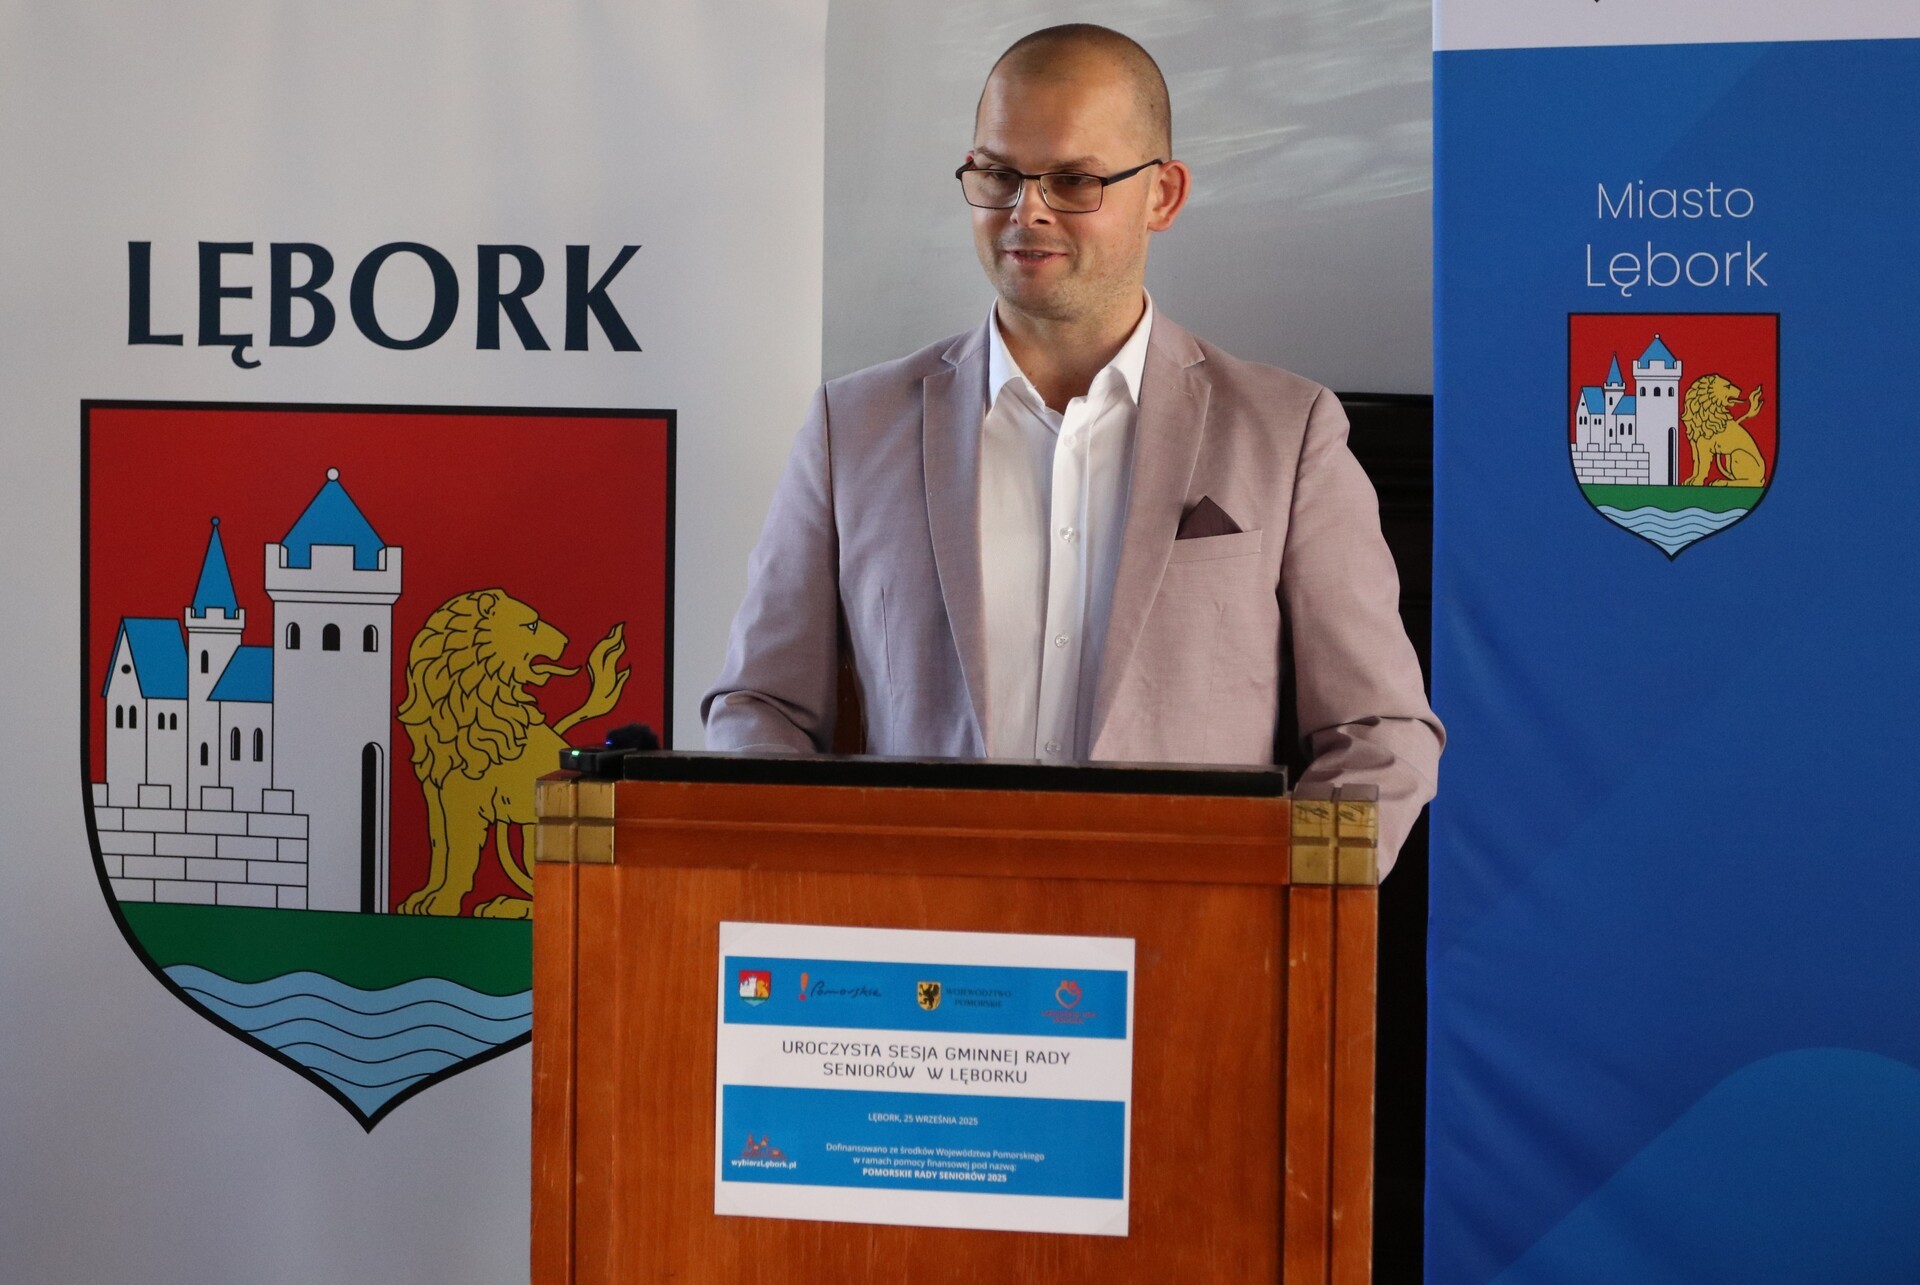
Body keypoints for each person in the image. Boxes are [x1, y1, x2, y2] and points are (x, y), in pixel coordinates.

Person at [703, 24, 1442, 867]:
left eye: (1073, 180)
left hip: (1190, 933)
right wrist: (807, 888)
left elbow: (1380, 730)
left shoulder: (1285, 431)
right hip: (920, 934)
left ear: (1163, 194)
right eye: (998, 174)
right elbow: (760, 706)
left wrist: (1278, 898)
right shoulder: (854, 426)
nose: (1028, 210)